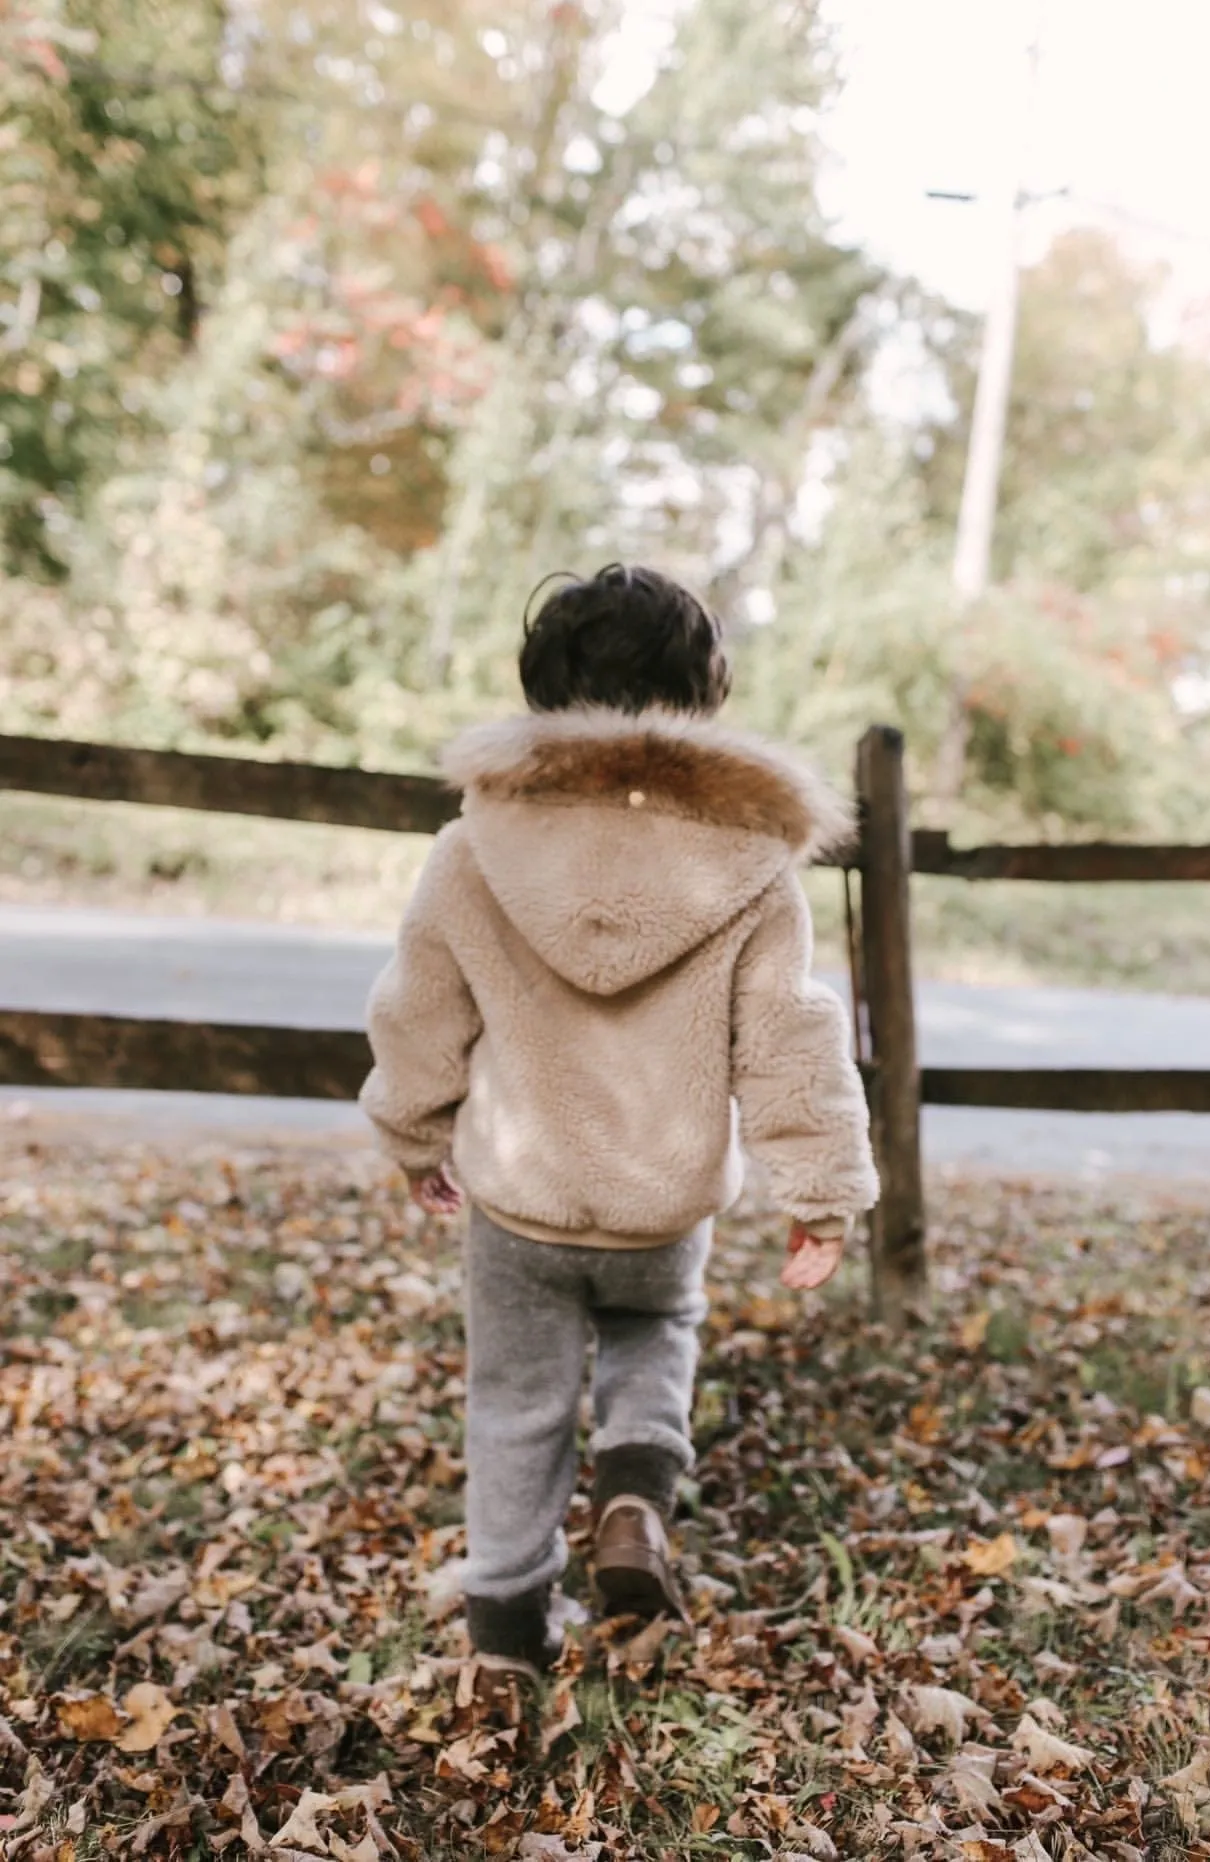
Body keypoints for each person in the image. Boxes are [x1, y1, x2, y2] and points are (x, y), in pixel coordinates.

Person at [361, 563, 878, 1683]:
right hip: (662, 1201)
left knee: (515, 1403)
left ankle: (505, 1637)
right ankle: (635, 1488)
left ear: (545, 696)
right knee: (657, 1330)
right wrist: (822, 1194)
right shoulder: (750, 867)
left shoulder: (475, 851)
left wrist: (412, 1131)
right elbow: (793, 1035)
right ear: (699, 700)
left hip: (520, 1196)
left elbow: (416, 1008)